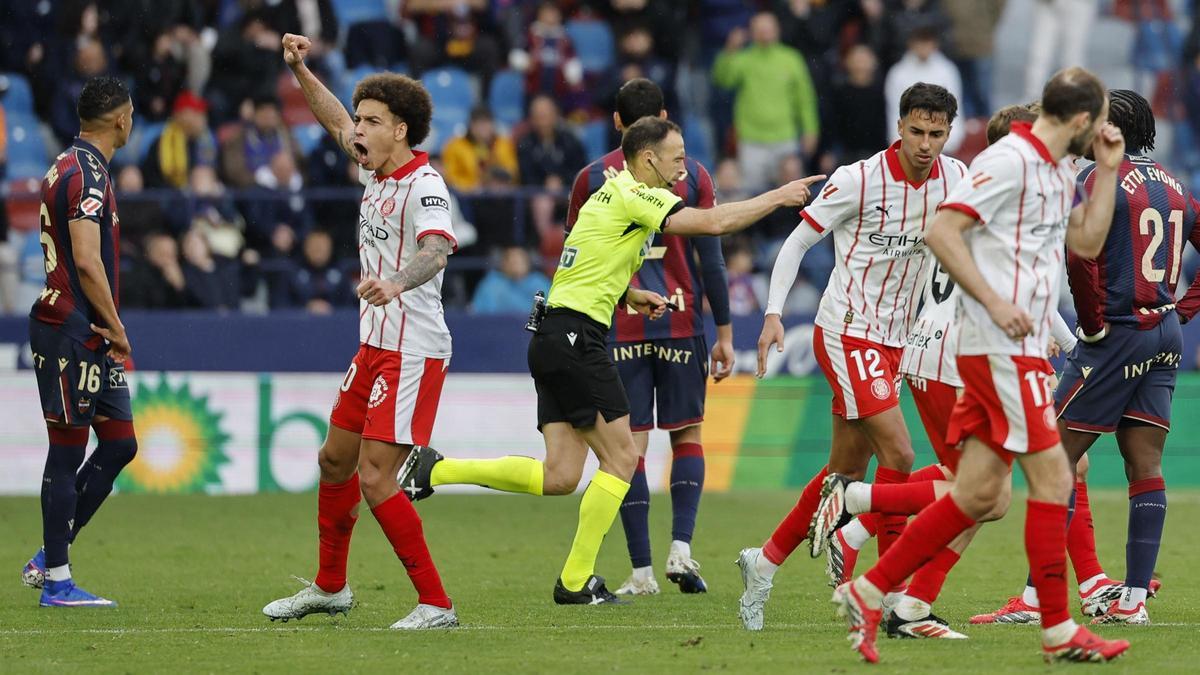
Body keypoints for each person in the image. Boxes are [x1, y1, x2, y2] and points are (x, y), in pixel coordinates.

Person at [397, 115, 822, 605]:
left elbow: (586, 264)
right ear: (648, 159)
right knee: (622, 458)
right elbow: (712, 223)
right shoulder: (635, 193)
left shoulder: (608, 195)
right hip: (578, 337)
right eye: (677, 157)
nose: (684, 166)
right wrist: (778, 195)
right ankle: (576, 581)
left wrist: (630, 293)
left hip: (553, 334)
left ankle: (433, 470)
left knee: (559, 475)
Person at [832, 67, 1131, 664]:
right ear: (1077, 121)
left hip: (1005, 350)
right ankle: (1058, 631)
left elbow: (1089, 242)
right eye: (1096, 124)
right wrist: (995, 301)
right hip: (996, 347)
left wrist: (1109, 169)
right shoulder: (1010, 162)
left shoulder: (1051, 169)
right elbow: (944, 231)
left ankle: (869, 592)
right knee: (1054, 479)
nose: (1099, 133)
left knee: (978, 496)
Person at [736, 82, 967, 632]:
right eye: (917, 131)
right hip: (848, 331)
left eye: (937, 133)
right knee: (901, 453)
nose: (926, 144)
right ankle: (891, 594)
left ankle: (763, 562)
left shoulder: (956, 178)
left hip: (901, 339)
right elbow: (796, 244)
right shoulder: (859, 179)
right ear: (899, 126)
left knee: (846, 470)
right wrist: (772, 314)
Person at [975, 89, 1200, 627]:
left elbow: (1081, 262)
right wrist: (1183, 310)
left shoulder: (1094, 181)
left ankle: (1035, 601)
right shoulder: (1178, 187)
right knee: (1145, 466)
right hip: (1164, 334)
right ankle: (1132, 601)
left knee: (1053, 460)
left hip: (1117, 335)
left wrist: (1093, 327)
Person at [261, 33, 460, 630]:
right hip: (373, 344)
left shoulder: (424, 186)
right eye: (360, 120)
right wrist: (300, 70)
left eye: (371, 122)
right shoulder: (375, 172)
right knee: (334, 461)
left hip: (413, 348)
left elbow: (437, 249)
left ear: (400, 130)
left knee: (375, 476)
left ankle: (436, 603)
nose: (358, 131)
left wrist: (398, 282)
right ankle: (329, 587)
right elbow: (334, 121)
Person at [561, 78, 732, 596]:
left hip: (619, 326)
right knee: (688, 435)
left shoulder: (592, 177)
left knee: (626, 447)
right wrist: (723, 330)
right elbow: (712, 258)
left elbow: (576, 253)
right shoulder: (693, 174)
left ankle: (641, 572)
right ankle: (682, 548)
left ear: (615, 122)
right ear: (663, 116)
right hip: (680, 321)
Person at [18, 76, 138, 608]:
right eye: (131, 115)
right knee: (66, 453)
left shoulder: (65, 162)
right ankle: (58, 582)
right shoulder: (88, 174)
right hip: (73, 326)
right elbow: (87, 260)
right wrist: (115, 325)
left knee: (119, 444)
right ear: (120, 120)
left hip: (82, 329)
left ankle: (50, 553)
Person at [712, 11, 819, 193]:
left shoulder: (792, 58)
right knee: (753, 195)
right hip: (752, 140)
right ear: (751, 33)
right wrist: (730, 50)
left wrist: (811, 129)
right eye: (759, 29)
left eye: (768, 28)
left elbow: (805, 99)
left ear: (778, 30)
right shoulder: (743, 58)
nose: (764, 33)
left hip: (786, 138)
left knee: (792, 194)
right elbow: (722, 79)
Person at [141, 90, 217, 189]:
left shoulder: (206, 140)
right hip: (168, 197)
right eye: (197, 112)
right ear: (183, 115)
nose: (203, 117)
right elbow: (151, 178)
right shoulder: (162, 141)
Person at [471, 246, 550, 314]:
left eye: (520, 261)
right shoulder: (492, 283)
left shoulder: (539, 281)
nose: (517, 265)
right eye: (513, 261)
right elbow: (477, 312)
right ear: (504, 264)